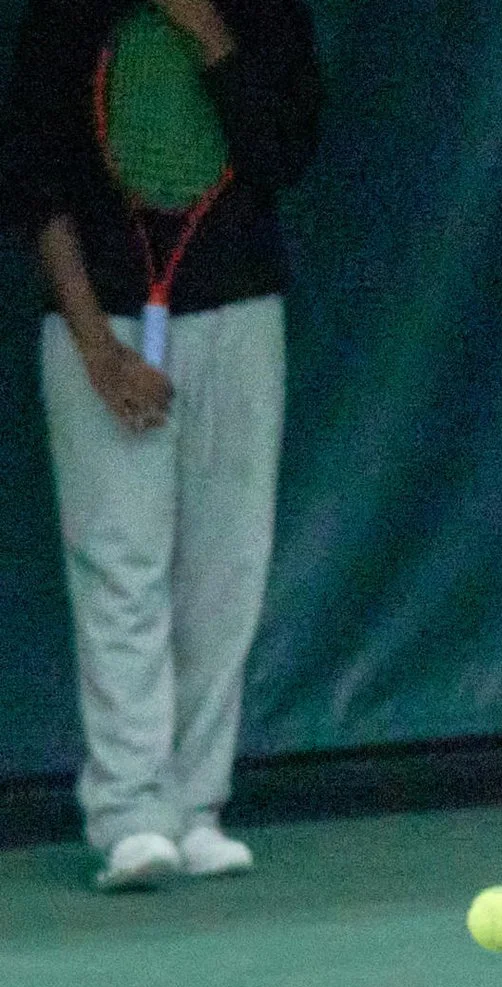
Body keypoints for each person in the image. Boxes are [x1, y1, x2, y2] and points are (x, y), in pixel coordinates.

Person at [1, 0, 319, 891]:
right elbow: (32, 189)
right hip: (97, 326)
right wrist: (97, 349)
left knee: (227, 569)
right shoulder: (63, 18)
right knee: (119, 566)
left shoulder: (265, 11)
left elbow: (286, 154)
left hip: (240, 313)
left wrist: (210, 34)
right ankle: (132, 814)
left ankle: (196, 806)